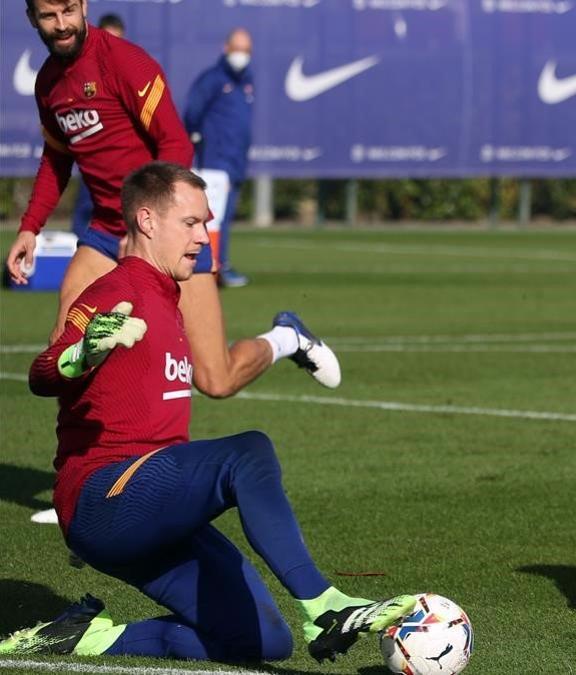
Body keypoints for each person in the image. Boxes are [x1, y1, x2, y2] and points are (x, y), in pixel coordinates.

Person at [0, 162, 413, 665]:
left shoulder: (167, 298)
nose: (204, 236)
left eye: (207, 223)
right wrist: (81, 352)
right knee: (248, 452)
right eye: (191, 223)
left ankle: (85, 637)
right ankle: (325, 605)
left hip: (155, 508)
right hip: (102, 498)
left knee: (265, 642)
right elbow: (42, 373)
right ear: (147, 221)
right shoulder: (115, 290)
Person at [7, 0, 339, 400]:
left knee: (217, 380)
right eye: (48, 16)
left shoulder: (125, 61)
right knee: (67, 344)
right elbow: (57, 159)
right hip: (108, 233)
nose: (61, 25)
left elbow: (176, 143)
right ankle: (93, 460)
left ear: (84, 6)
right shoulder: (47, 83)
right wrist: (30, 228)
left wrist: (171, 225)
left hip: (165, 232)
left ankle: (288, 338)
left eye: (68, 11)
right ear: (32, 19)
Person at [184, 27, 255, 288]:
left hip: (234, 162)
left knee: (224, 218)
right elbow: (192, 113)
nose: (241, 55)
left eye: (246, 50)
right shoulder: (213, 79)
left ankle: (219, 264)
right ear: (225, 48)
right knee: (209, 218)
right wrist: (199, 143)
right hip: (213, 162)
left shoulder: (246, 81)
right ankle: (209, 266)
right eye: (237, 49)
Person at [70, 12, 126, 240]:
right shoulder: (79, 70)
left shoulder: (130, 71)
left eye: (117, 39)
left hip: (124, 163)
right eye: (107, 38)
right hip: (93, 162)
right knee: (85, 217)